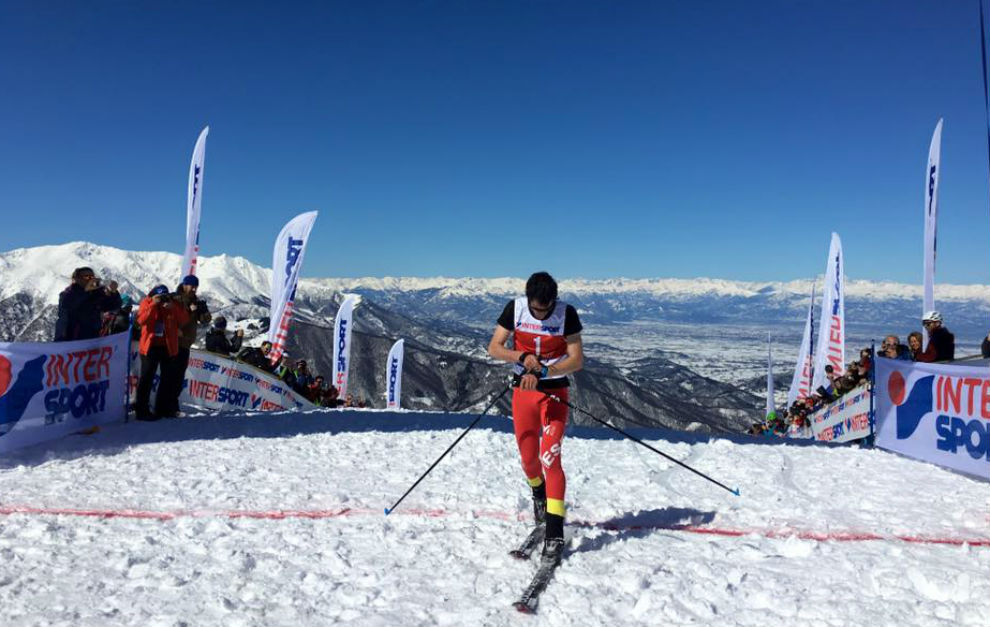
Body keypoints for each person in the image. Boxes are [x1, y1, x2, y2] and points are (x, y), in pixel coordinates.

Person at [487, 271, 584, 566]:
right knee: (529, 460)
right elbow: (494, 348)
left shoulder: (567, 314)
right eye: (536, 309)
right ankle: (538, 494)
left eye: (546, 309)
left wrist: (544, 372)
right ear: (528, 299)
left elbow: (576, 359)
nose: (541, 314)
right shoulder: (514, 308)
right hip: (523, 391)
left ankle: (555, 531)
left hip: (554, 391)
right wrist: (520, 358)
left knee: (550, 457)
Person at [134, 285, 190, 420]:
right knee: (146, 379)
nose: (163, 299)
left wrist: (173, 307)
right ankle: (142, 411)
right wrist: (154, 304)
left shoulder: (173, 304)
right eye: (160, 296)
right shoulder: (146, 303)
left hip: (168, 347)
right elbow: (141, 320)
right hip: (150, 347)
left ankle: (163, 409)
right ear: (152, 295)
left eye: (165, 295)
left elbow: (184, 320)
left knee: (167, 380)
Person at [160, 275, 212, 417]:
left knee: (178, 377)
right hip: (173, 342)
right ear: (184, 285)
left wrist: (203, 311)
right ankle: (165, 406)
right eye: (191, 286)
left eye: (196, 287)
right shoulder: (176, 298)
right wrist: (191, 311)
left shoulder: (195, 300)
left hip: (186, 343)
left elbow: (205, 320)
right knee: (170, 375)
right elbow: (172, 316)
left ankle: (173, 404)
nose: (194, 289)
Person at [54, 267, 122, 341]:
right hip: (72, 338)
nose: (90, 279)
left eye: (92, 277)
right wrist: (85, 291)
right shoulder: (68, 293)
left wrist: (113, 293)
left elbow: (114, 306)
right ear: (77, 279)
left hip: (93, 337)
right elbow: (68, 304)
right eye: (87, 277)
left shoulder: (96, 294)